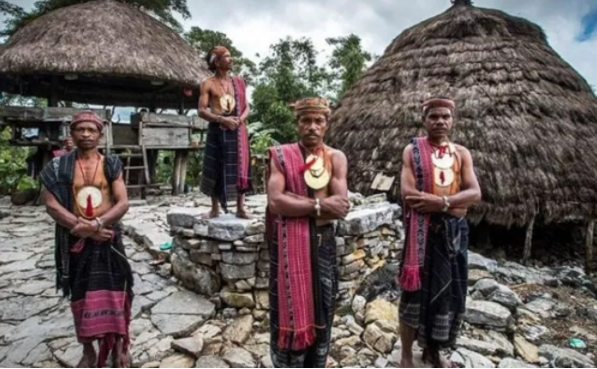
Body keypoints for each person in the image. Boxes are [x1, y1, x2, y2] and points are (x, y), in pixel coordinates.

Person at [39, 111, 133, 368]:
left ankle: (117, 344)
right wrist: (82, 227)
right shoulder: (58, 166)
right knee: (79, 296)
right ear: (72, 133)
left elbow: (123, 202)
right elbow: (50, 204)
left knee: (116, 294)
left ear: (100, 135)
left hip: (108, 239)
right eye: (80, 129)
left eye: (91, 130)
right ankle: (88, 350)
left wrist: (99, 224)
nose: (86, 134)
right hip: (75, 242)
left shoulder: (111, 164)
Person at [266, 97, 350, 367]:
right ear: (297, 124)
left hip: (323, 242)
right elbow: (276, 202)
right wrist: (319, 204)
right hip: (289, 246)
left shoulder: (336, 158)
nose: (312, 126)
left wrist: (297, 204)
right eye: (306, 120)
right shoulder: (282, 156)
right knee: (287, 311)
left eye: (318, 121)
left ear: (326, 125)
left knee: (323, 309)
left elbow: (339, 208)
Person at [398, 97, 481, 368]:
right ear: (425, 120)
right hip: (422, 236)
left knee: (447, 294)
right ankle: (407, 356)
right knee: (414, 293)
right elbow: (409, 195)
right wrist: (454, 206)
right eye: (434, 117)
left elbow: (474, 193)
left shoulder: (461, 154)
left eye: (445, 116)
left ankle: (434, 351)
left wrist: (440, 203)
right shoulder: (412, 152)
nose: (440, 121)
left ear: (453, 120)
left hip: (453, 237)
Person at [199, 45, 252, 219]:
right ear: (216, 61)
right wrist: (222, 119)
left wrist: (239, 120)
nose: (231, 59)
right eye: (227, 57)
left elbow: (247, 107)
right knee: (215, 167)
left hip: (237, 130)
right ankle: (214, 209)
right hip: (217, 129)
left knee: (239, 168)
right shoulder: (207, 84)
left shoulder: (238, 82)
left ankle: (240, 208)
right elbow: (201, 110)